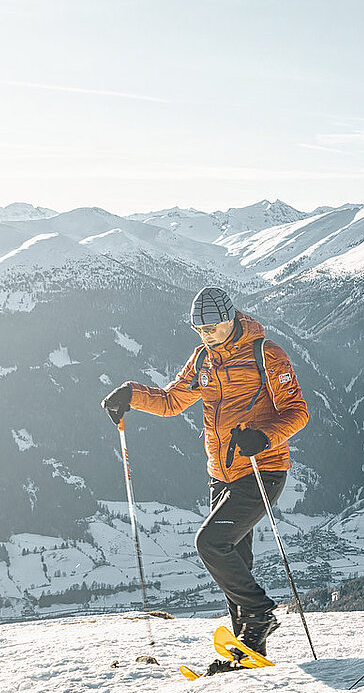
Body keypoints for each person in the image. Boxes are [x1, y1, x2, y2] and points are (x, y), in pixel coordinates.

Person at [102, 286, 309, 668]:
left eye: (212, 327)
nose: (206, 335)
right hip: (221, 473)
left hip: (262, 469)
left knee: (211, 543)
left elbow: (298, 411)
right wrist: (131, 394)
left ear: (231, 317)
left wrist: (263, 437)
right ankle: (248, 650)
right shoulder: (203, 360)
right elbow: (170, 401)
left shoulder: (267, 354)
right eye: (199, 329)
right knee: (236, 562)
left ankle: (261, 613)